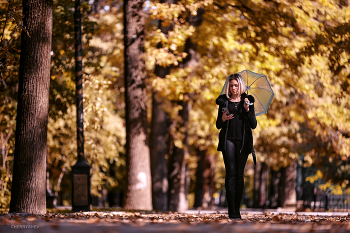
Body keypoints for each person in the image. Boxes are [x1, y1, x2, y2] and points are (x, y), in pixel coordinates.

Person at [215, 73, 257, 219]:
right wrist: (223, 118)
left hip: (243, 141)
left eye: (236, 85)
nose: (233, 88)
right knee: (230, 173)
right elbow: (218, 125)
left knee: (239, 175)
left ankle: (237, 209)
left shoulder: (248, 101)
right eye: (231, 85)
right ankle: (231, 209)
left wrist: (247, 109)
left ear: (240, 85)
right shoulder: (223, 102)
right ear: (229, 86)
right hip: (228, 140)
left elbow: (254, 124)